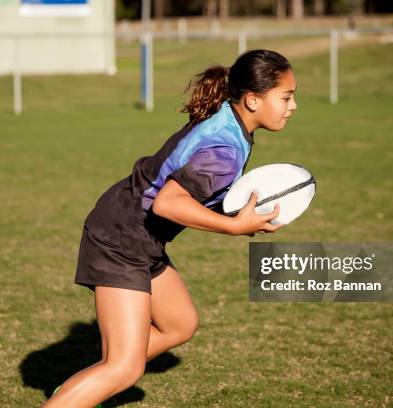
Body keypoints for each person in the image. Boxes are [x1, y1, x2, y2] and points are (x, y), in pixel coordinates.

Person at [43, 49, 297, 408]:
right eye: (286, 97)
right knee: (124, 369)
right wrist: (234, 226)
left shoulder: (229, 117)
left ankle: (80, 391)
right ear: (253, 99)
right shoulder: (224, 149)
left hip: (136, 233)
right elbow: (168, 203)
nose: (292, 105)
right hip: (122, 238)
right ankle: (83, 392)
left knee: (179, 323)